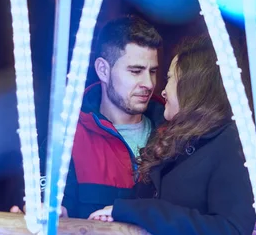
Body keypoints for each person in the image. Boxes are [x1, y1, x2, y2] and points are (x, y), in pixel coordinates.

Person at [88, 35, 256, 235]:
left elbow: (229, 232)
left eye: (169, 78)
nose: (162, 89)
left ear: (193, 86)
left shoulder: (230, 142)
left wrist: (137, 211)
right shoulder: (176, 140)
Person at [11, 15, 165, 219]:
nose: (148, 83)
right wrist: (49, 213)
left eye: (153, 71)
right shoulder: (67, 140)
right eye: (136, 71)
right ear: (103, 70)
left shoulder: (174, 132)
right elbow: (51, 208)